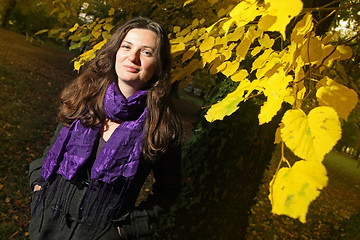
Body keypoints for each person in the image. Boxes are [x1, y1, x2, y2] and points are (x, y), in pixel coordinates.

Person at [28, 17, 182, 240]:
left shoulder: (163, 125)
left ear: (158, 65)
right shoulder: (83, 98)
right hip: (46, 225)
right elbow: (48, 155)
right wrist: (38, 187)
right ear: (115, 51)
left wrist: (126, 230)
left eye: (146, 52)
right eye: (126, 46)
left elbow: (169, 191)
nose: (133, 57)